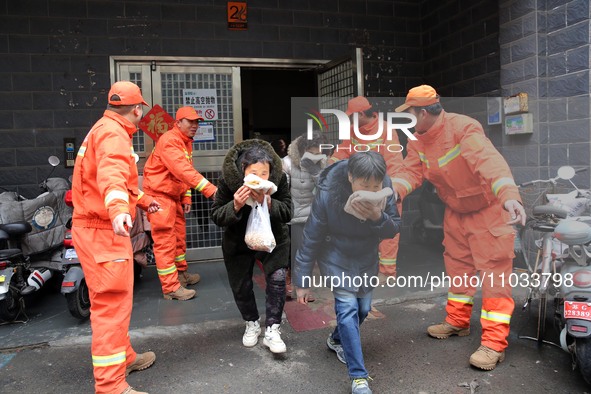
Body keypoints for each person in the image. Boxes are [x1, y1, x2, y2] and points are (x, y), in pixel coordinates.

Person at [391, 85, 526, 371]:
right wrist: (394, 192)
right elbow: (410, 172)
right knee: (458, 269)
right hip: (455, 212)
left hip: (489, 211)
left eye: (410, 114)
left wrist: (509, 197)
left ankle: (493, 344)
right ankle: (457, 322)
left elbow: (490, 164)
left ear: (423, 112)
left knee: (494, 278)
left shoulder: (463, 129)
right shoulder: (417, 140)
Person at [71, 81, 160, 394]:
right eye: (141, 110)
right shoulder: (115, 134)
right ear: (136, 109)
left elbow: (110, 178)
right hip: (103, 231)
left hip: (96, 228)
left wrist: (141, 199)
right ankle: (111, 386)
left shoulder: (101, 128)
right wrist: (120, 208)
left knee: (114, 300)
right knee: (111, 305)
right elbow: (111, 176)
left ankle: (125, 357)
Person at [294, 152, 401, 394]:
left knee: (363, 309)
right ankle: (359, 378)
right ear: (351, 177)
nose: (372, 190)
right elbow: (311, 237)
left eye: (376, 185)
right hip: (335, 255)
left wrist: (378, 216)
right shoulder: (328, 192)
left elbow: (393, 227)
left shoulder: (386, 186)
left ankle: (335, 339)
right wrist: (303, 280)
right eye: (365, 185)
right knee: (347, 308)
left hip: (365, 256)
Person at [210, 139, 292, 353]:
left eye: (264, 173)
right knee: (241, 284)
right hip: (237, 240)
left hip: (273, 238)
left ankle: (273, 329)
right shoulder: (229, 182)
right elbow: (217, 215)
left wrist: (270, 201)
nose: (259, 178)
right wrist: (236, 205)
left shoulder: (279, 180)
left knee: (278, 278)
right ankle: (251, 323)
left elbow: (288, 212)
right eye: (253, 173)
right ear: (242, 171)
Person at [143, 106, 217, 301]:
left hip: (171, 197)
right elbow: (183, 170)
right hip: (159, 198)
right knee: (166, 242)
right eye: (190, 121)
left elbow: (182, 173)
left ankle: (181, 275)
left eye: (197, 122)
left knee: (178, 239)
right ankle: (170, 288)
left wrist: (186, 197)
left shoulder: (184, 142)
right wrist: (210, 190)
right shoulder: (170, 141)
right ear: (178, 122)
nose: (195, 125)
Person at [328, 96, 404, 278]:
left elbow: (394, 161)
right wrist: (330, 164)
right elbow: (343, 151)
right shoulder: (353, 129)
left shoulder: (386, 129)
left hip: (381, 188)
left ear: (361, 114)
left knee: (387, 230)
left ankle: (387, 273)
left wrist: (392, 190)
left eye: (351, 116)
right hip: (360, 189)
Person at [282, 131, 330, 300]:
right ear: (303, 149)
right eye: (312, 152)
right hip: (296, 215)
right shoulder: (287, 163)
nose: (316, 156)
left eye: (319, 153)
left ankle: (305, 285)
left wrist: (316, 171)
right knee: (298, 251)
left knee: (315, 251)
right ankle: (298, 285)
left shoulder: (325, 163)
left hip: (317, 215)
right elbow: (282, 192)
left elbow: (327, 189)